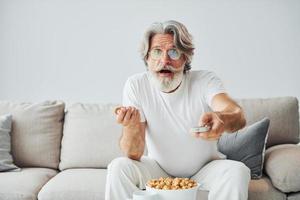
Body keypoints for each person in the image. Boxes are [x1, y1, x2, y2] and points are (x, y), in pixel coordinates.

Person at [105, 20, 250, 200]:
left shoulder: (205, 80)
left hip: (205, 169)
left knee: (238, 171)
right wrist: (131, 126)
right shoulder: (136, 85)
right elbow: (133, 154)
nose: (165, 60)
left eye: (174, 52)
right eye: (157, 51)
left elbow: (237, 115)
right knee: (119, 167)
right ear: (147, 58)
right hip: (158, 169)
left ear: (185, 58)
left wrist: (222, 119)